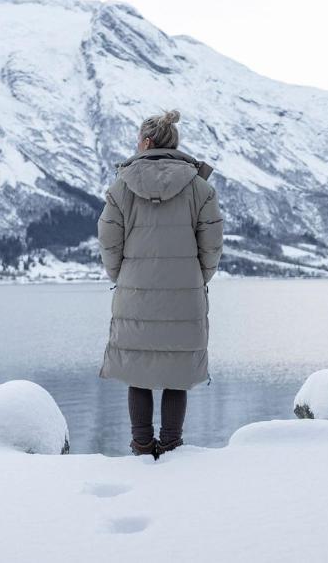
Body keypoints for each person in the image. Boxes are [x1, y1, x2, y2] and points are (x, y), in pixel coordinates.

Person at [97, 110, 223, 460]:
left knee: (137, 371)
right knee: (176, 371)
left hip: (134, 293)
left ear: (147, 142)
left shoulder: (121, 187)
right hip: (186, 296)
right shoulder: (200, 188)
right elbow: (212, 244)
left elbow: (108, 240)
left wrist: (121, 276)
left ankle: (140, 445)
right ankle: (170, 446)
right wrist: (197, 278)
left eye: (138, 140)